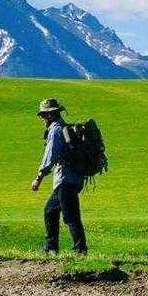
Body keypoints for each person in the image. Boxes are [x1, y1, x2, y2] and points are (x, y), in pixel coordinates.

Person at [31, 98, 87, 254]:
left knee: (71, 216)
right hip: (73, 178)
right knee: (50, 210)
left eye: (43, 115)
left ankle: (80, 250)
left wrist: (39, 178)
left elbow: (50, 157)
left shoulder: (55, 130)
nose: (42, 119)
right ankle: (51, 247)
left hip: (65, 179)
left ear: (49, 115)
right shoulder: (63, 127)